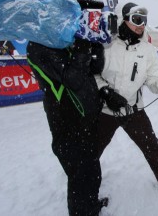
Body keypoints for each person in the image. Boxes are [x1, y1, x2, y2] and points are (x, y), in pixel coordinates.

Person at [96, 2, 158, 199]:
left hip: (132, 110)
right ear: (123, 19)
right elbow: (93, 76)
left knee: (152, 146)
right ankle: (86, 189)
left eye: (143, 20)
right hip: (105, 111)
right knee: (91, 151)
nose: (141, 25)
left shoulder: (148, 50)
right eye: (136, 20)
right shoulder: (105, 45)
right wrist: (106, 93)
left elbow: (152, 78)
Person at [26, 37, 107, 215]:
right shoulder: (38, 46)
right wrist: (81, 50)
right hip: (66, 122)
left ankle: (91, 205)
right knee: (80, 175)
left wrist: (96, 47)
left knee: (92, 170)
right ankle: (81, 211)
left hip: (86, 117)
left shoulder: (65, 42)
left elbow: (94, 69)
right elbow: (73, 79)